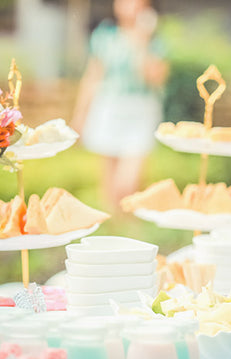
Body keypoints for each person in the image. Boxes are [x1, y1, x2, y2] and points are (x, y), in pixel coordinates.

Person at [71, 0, 168, 209]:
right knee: (108, 181)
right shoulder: (106, 35)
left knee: (127, 183)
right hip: (109, 107)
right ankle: (117, 227)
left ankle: (130, 222)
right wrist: (80, 115)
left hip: (140, 110)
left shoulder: (154, 41)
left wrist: (141, 41)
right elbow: (92, 77)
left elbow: (155, 78)